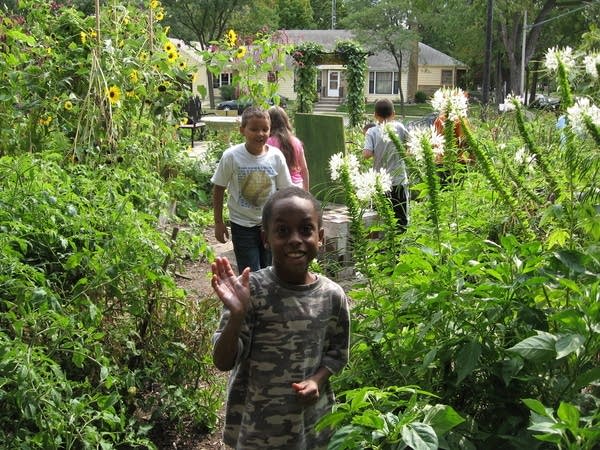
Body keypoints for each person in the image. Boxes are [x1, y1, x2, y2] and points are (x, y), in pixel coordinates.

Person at [211, 186, 351, 449]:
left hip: (308, 427)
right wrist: (236, 315)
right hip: (255, 431)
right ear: (265, 238)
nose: (295, 239)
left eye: (306, 230)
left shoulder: (332, 296)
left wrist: (316, 380)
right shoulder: (249, 291)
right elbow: (222, 361)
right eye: (283, 231)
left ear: (320, 237)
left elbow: (337, 354)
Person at [211, 107, 293, 274]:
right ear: (242, 130)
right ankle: (250, 300)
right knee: (250, 273)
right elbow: (219, 188)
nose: (260, 134)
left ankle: (268, 300)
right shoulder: (232, 156)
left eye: (265, 129)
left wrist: (285, 222)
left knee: (270, 270)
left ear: (270, 131)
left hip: (269, 225)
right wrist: (218, 223)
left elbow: (285, 192)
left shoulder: (276, 157)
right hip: (242, 225)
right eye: (254, 129)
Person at [363, 98, 410, 230]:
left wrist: (377, 151)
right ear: (393, 114)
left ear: (375, 116)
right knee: (401, 218)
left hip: (380, 183)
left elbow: (366, 154)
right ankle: (399, 247)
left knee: (379, 217)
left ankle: (382, 248)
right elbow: (410, 145)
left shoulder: (371, 132)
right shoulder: (400, 127)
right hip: (398, 181)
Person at [267, 106, 310, 191]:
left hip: (277, 189)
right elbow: (304, 169)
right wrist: (307, 191)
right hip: (297, 187)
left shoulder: (268, 143)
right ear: (286, 121)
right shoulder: (296, 142)